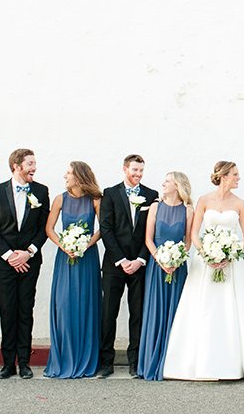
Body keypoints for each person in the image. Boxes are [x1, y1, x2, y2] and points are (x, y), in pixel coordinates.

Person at [162, 161, 244, 380]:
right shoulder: (204, 200)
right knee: (204, 308)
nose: (239, 178)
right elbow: (194, 234)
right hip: (205, 263)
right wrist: (207, 255)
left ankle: (238, 364)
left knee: (233, 310)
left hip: (232, 264)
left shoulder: (239, 203)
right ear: (223, 176)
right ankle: (198, 364)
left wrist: (231, 254)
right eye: (235, 174)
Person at [0, 148, 51, 379]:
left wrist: (28, 253)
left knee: (25, 310)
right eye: (30, 163)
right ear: (16, 166)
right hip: (4, 264)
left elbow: (44, 228)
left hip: (30, 262)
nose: (34, 168)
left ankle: (24, 363)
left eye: (34, 163)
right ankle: (7, 364)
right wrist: (10, 255)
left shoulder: (41, 191)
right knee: (7, 310)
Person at [98, 154, 159, 378]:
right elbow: (106, 229)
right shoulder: (110, 193)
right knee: (108, 313)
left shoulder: (152, 195)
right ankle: (106, 362)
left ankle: (135, 362)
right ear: (125, 169)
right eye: (134, 170)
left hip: (140, 265)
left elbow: (151, 232)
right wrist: (122, 260)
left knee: (138, 314)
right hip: (115, 264)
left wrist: (140, 259)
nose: (138, 175)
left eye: (141, 171)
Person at [44, 161, 103, 379]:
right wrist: (65, 245)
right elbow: (49, 228)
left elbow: (102, 228)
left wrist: (86, 244)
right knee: (65, 304)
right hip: (65, 257)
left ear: (79, 177)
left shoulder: (95, 199)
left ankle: (86, 357)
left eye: (68, 173)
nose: (65, 177)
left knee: (85, 303)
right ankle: (65, 357)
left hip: (87, 258)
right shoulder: (60, 199)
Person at [138, 171, 194, 381]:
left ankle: (173, 363)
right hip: (157, 265)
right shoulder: (155, 207)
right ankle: (151, 359)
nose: (163, 183)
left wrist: (178, 259)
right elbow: (148, 239)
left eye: (167, 181)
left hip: (178, 267)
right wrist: (160, 259)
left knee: (176, 310)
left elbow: (188, 240)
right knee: (155, 310)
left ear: (178, 185)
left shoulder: (188, 210)